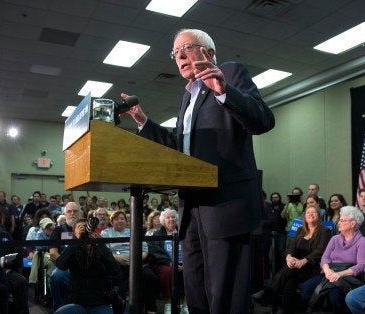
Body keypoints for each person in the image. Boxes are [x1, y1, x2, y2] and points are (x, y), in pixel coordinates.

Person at [121, 28, 275, 313]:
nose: (179, 57)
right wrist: (144, 122)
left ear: (209, 52)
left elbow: (263, 120)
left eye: (186, 48)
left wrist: (225, 91)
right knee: (196, 293)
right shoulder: (187, 98)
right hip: (191, 211)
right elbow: (181, 149)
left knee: (225, 298)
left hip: (226, 207)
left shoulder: (230, 72)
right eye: (174, 53)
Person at [252, 205, 331, 314]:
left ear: (319, 216)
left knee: (290, 270)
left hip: (313, 268)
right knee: (289, 284)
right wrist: (289, 257)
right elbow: (291, 247)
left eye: (314, 213)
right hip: (297, 267)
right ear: (305, 216)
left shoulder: (324, 231)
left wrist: (305, 260)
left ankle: (268, 292)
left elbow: (321, 250)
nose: (311, 215)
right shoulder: (300, 230)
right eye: (308, 213)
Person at [299, 206, 365, 313]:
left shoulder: (362, 242)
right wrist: (328, 271)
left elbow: (361, 266)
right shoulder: (335, 239)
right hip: (329, 274)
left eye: (342, 220)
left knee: (334, 295)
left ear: (353, 224)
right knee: (306, 288)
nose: (339, 223)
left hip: (347, 277)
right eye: (339, 220)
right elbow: (325, 258)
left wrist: (340, 274)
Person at [54, 218, 120, 314]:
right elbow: (61, 265)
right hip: (78, 304)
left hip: (100, 303)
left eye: (87, 227)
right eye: (81, 228)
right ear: (74, 233)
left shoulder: (99, 250)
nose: (85, 230)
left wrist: (101, 245)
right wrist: (76, 241)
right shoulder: (73, 251)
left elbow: (115, 270)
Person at [101, 210, 159, 313]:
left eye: (122, 219)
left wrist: (135, 259)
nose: (120, 221)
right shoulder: (106, 232)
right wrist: (116, 257)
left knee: (150, 277)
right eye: (116, 219)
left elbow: (145, 251)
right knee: (118, 283)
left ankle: (151, 308)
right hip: (116, 265)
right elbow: (104, 251)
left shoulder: (134, 231)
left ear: (126, 221)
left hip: (135, 264)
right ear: (111, 221)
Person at [148, 209, 185, 313]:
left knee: (191, 271)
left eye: (173, 217)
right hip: (165, 263)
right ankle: (168, 303)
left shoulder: (183, 231)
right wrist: (170, 262)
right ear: (163, 220)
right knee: (167, 272)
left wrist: (185, 263)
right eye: (168, 217)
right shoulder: (157, 233)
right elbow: (155, 251)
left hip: (184, 262)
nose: (171, 219)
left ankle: (186, 304)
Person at [49, 201, 82, 311]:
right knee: (56, 277)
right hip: (64, 265)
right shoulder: (58, 230)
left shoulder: (86, 229)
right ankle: (60, 309)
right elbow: (53, 252)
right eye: (69, 211)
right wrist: (64, 265)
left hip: (84, 264)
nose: (72, 213)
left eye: (75, 211)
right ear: (65, 214)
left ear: (80, 213)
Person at [28, 217, 56, 286]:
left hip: (54, 253)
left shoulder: (55, 232)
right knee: (49, 262)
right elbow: (39, 247)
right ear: (43, 228)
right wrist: (50, 246)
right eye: (47, 226)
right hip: (44, 255)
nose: (49, 228)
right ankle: (50, 283)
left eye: (50, 225)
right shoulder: (39, 234)